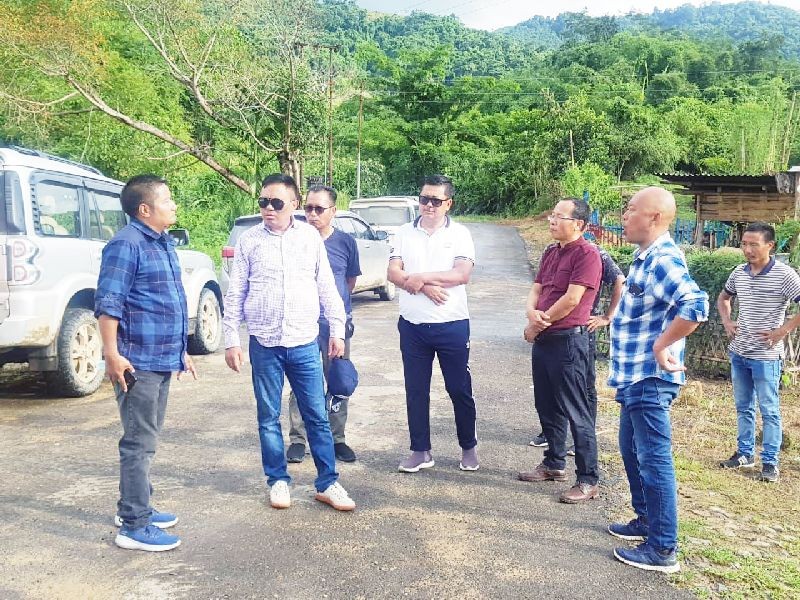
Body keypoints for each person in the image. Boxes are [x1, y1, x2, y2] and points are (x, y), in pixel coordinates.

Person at [223, 174, 355, 512]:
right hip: (264, 344)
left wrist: (337, 330)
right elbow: (236, 292)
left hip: (304, 343)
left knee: (316, 416)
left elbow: (327, 285)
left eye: (276, 203)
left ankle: (327, 482)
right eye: (263, 202)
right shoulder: (250, 241)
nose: (268, 208)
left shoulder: (310, 237)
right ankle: (278, 480)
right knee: (268, 416)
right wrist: (230, 340)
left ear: (293, 205)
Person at [607, 186, 708, 574]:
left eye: (631, 210)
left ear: (654, 217)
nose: (624, 216)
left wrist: (663, 345)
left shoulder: (663, 259)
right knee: (632, 453)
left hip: (650, 378)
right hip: (634, 377)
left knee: (653, 461)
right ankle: (646, 522)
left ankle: (663, 548)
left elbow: (696, 306)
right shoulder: (644, 257)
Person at [95, 174, 197, 552]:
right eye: (167, 200)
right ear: (145, 209)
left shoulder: (162, 242)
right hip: (136, 362)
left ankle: (134, 508)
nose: (173, 205)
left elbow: (164, 303)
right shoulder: (126, 245)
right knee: (139, 443)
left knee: (146, 439)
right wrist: (112, 354)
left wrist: (181, 352)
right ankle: (134, 527)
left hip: (161, 357)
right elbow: (109, 304)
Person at [387, 174, 478, 473]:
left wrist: (419, 277)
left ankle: (468, 447)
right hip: (413, 325)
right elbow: (393, 273)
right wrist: (424, 287)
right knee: (416, 390)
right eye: (424, 199)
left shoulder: (461, 234)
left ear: (448, 204)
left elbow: (461, 274)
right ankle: (420, 450)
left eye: (435, 201)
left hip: (451, 323)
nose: (428, 205)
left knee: (458, 388)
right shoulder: (403, 232)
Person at [518, 198, 603, 504]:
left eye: (559, 216)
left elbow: (571, 300)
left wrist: (537, 325)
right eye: (552, 215)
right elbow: (537, 289)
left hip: (568, 340)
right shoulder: (551, 252)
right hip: (545, 339)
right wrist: (531, 312)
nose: (552, 220)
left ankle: (588, 478)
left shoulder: (588, 254)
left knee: (576, 410)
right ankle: (554, 462)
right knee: (546, 405)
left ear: (578, 224)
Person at [717, 222, 800, 483]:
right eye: (744, 244)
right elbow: (723, 298)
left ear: (770, 245)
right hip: (740, 351)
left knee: (769, 409)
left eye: (754, 244)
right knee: (743, 406)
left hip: (766, 355)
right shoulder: (739, 272)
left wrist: (782, 330)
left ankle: (770, 462)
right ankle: (744, 454)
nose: (748, 249)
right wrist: (728, 322)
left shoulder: (785, 275)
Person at [286, 185, 361, 464]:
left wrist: (338, 317)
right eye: (308, 208)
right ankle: (298, 438)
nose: (312, 214)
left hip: (334, 326)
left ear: (333, 211)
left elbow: (349, 282)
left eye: (319, 209)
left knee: (338, 381)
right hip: (301, 324)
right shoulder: (295, 240)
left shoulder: (345, 243)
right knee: (301, 381)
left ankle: (337, 437)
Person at [529, 245, 624, 451]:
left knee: (584, 387)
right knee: (551, 386)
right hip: (552, 328)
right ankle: (552, 436)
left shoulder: (594, 253)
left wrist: (608, 316)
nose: (553, 221)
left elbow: (619, 280)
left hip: (582, 326)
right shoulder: (551, 251)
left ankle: (581, 440)